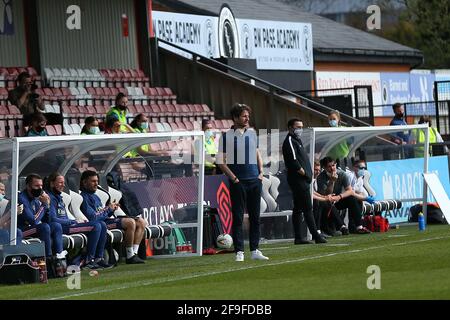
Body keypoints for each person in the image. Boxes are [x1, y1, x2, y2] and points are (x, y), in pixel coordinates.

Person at [217, 103, 269, 262]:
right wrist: (234, 179)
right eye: (244, 116)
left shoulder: (252, 134)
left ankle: (255, 250)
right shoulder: (226, 136)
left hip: (255, 180)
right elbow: (220, 161)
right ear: (235, 118)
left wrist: (261, 172)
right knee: (238, 217)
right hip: (238, 182)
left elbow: (257, 152)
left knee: (255, 217)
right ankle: (239, 251)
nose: (247, 118)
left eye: (248, 116)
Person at [45, 172, 111, 269]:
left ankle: (98, 258)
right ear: (51, 184)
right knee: (96, 226)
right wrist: (74, 221)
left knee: (102, 224)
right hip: (62, 228)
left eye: (63, 183)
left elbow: (64, 216)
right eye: (60, 183)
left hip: (68, 225)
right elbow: (53, 219)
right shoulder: (49, 197)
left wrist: (75, 221)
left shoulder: (59, 197)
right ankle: (89, 260)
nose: (63, 185)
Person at [79, 170, 146, 264]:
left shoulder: (95, 196)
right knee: (130, 222)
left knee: (141, 222)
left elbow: (102, 212)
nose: (96, 184)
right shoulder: (83, 197)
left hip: (106, 220)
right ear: (85, 182)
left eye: (97, 181)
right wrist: (108, 210)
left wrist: (111, 209)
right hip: (100, 224)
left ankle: (134, 253)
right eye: (93, 181)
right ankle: (129, 255)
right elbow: (93, 218)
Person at [282, 119, 327, 245]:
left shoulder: (297, 140)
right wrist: (306, 174)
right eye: (298, 127)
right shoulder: (290, 141)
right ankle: (316, 236)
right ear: (291, 127)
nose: (300, 129)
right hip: (298, 180)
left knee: (298, 209)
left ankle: (298, 237)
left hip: (302, 180)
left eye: (302, 127)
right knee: (308, 208)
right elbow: (294, 162)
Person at [18, 174, 66, 267]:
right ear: (28, 186)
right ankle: (47, 261)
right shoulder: (21, 198)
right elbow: (34, 220)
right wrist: (44, 205)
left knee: (56, 225)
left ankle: (59, 259)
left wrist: (47, 206)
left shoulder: (35, 199)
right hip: (22, 231)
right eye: (36, 186)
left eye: (41, 186)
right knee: (44, 227)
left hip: (33, 228)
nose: (40, 189)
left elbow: (46, 220)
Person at [316, 157, 370, 235]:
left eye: (333, 165)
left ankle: (359, 226)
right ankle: (342, 227)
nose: (332, 168)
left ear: (336, 165)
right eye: (329, 166)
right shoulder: (321, 177)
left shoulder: (341, 174)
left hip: (337, 200)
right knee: (329, 201)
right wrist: (332, 181)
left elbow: (350, 191)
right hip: (326, 201)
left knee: (352, 198)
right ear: (324, 168)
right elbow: (326, 194)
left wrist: (339, 197)